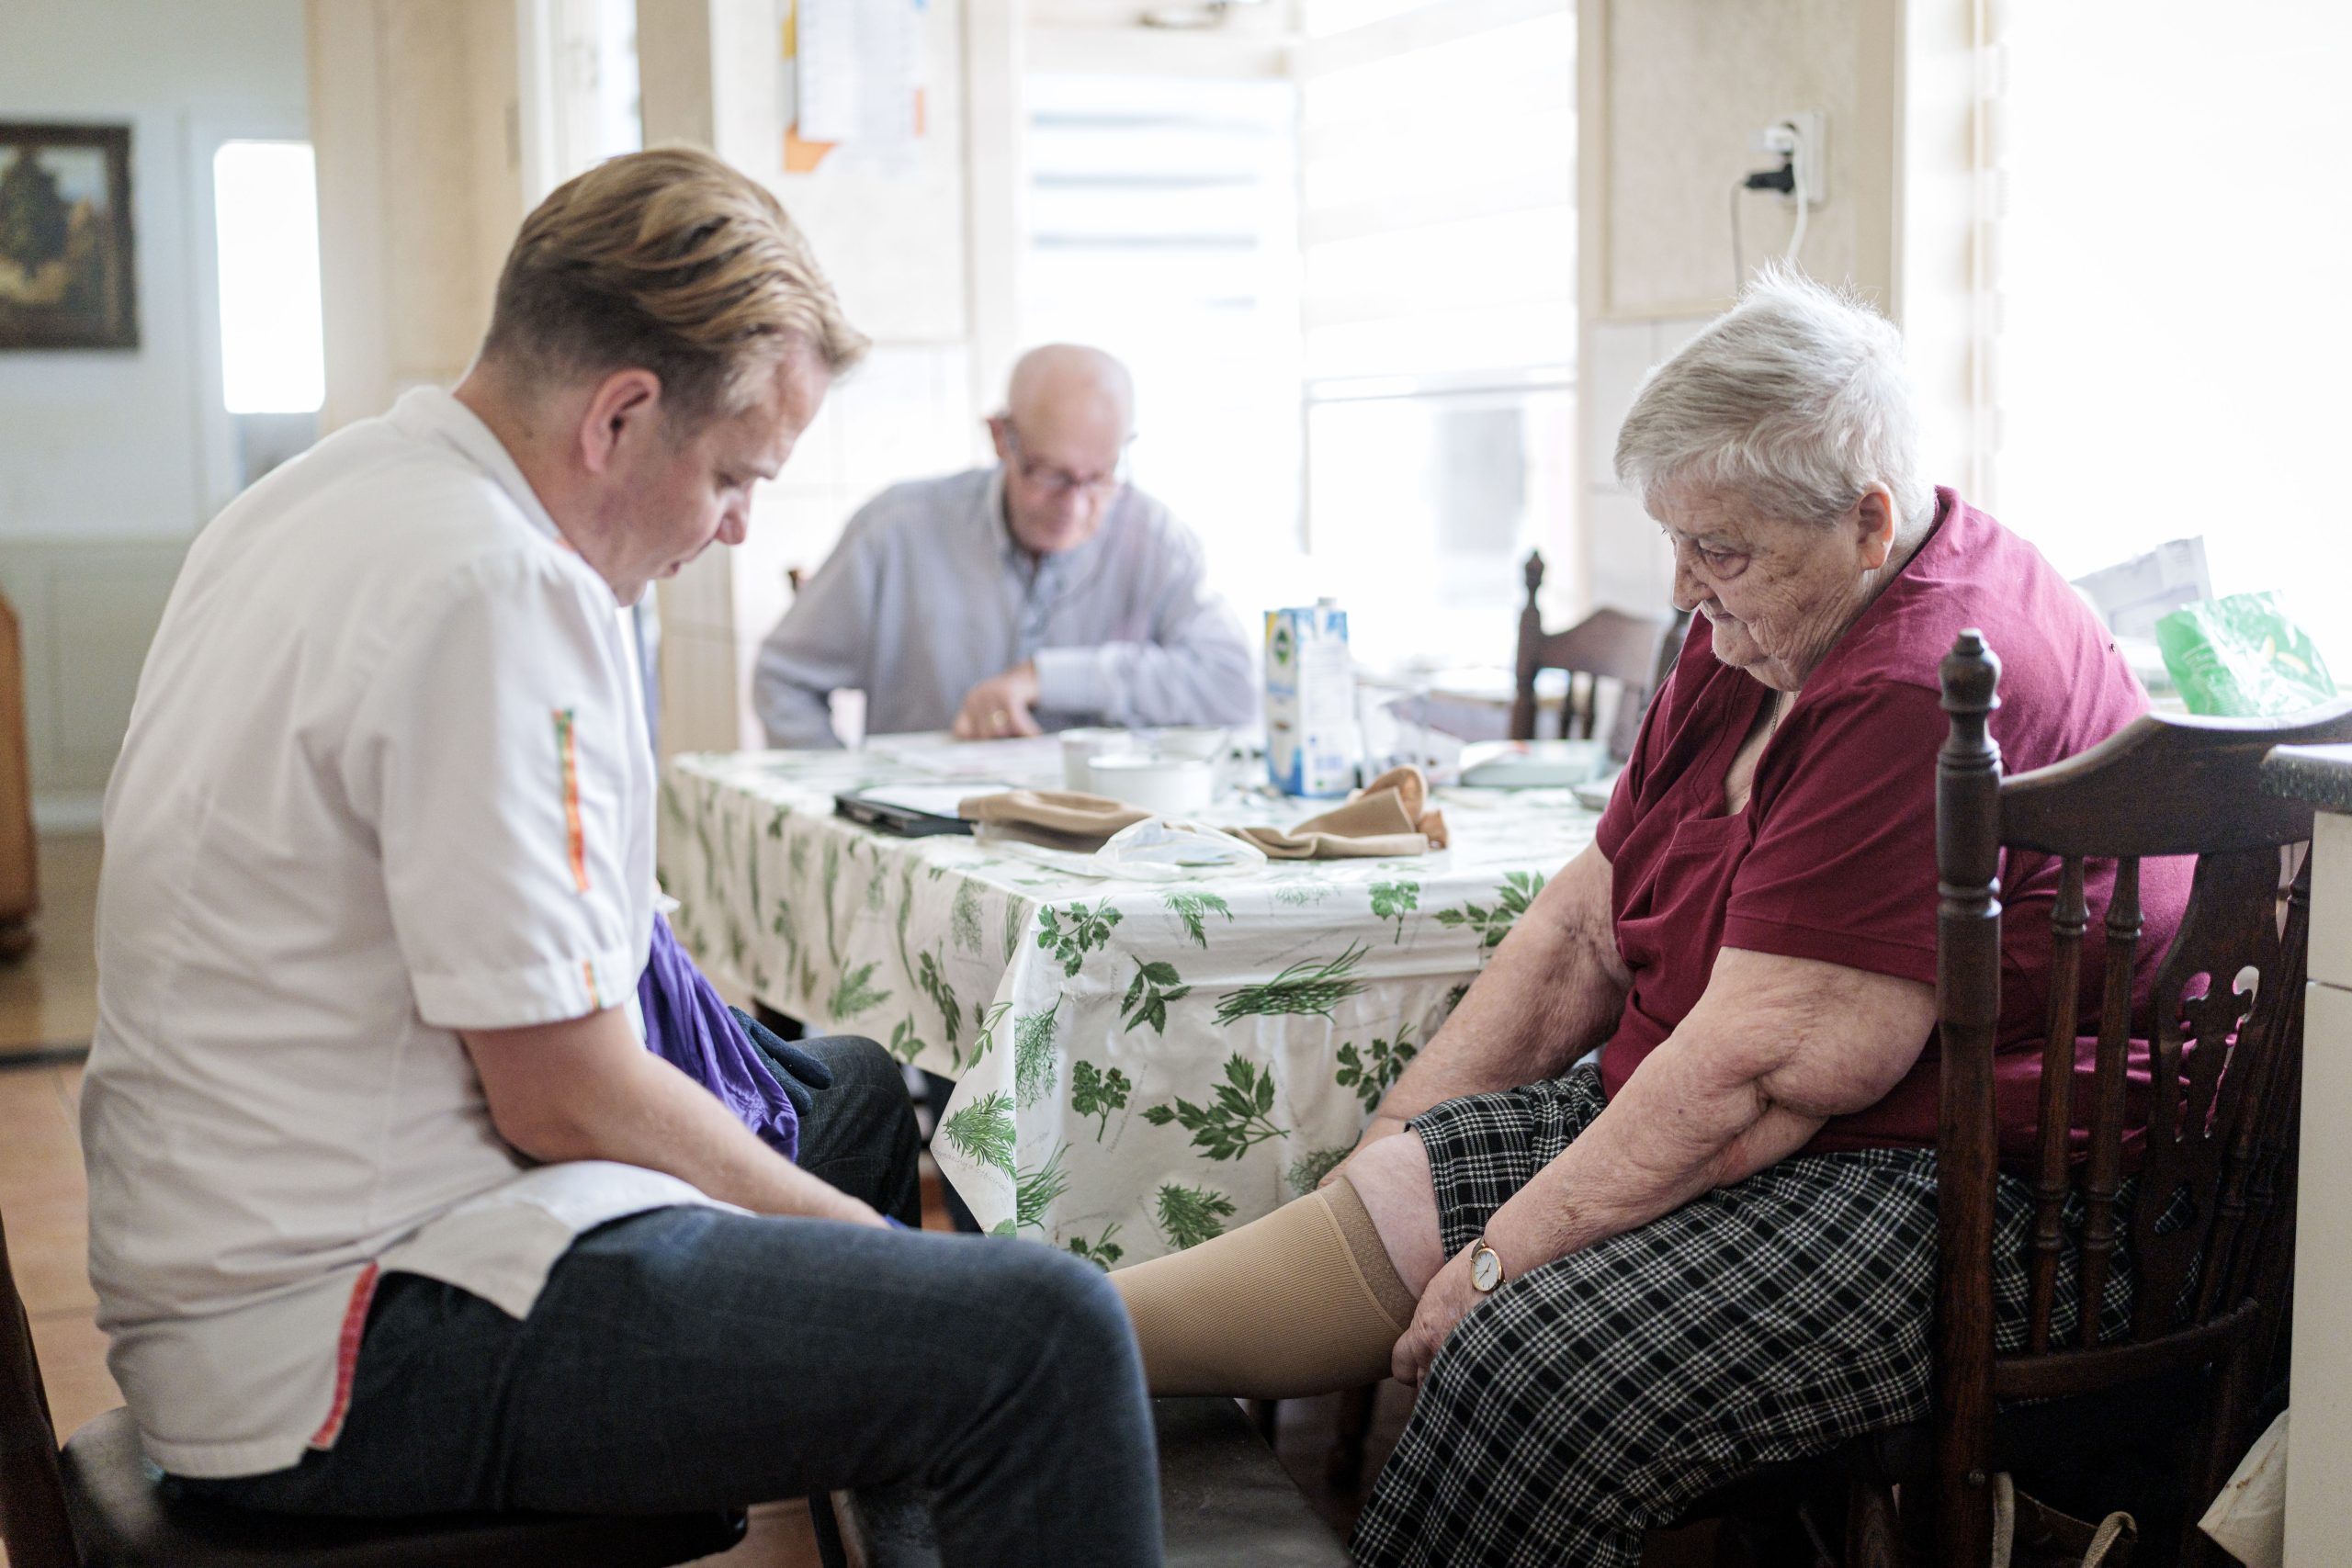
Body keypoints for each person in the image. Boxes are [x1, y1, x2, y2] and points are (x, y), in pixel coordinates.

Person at [83, 147, 1161, 1568]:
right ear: (621, 414)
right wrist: (881, 1260)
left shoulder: (333, 488)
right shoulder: (502, 586)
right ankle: (954, 1409)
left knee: (843, 1092)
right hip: (344, 1337)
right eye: (731, 475)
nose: (734, 525)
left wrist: (848, 1245)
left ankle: (920, 1469)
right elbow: (562, 1093)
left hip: (242, 1242)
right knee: (1044, 1333)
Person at [1108, 270, 2191, 1566]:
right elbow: (1586, 921)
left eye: (1718, 549)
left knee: (1524, 1362)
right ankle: (1034, 1335)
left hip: (1981, 1187)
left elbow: (1753, 1079)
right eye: (1675, 540)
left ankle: (1019, 1343)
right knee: (1398, 1190)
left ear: (1868, 518)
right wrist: (1404, 1129)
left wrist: (1500, 1264)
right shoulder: (1760, 626)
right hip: (1793, 1115)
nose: (1684, 585)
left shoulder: (1914, 675)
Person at [750, 344, 1256, 746]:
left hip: (1104, 850)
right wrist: (840, 799)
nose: (1074, 507)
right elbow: (783, 679)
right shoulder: (896, 532)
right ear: (1000, 437)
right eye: (1051, 475)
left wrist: (1051, 678)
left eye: (1099, 477)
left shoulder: (1154, 540)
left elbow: (1232, 686)